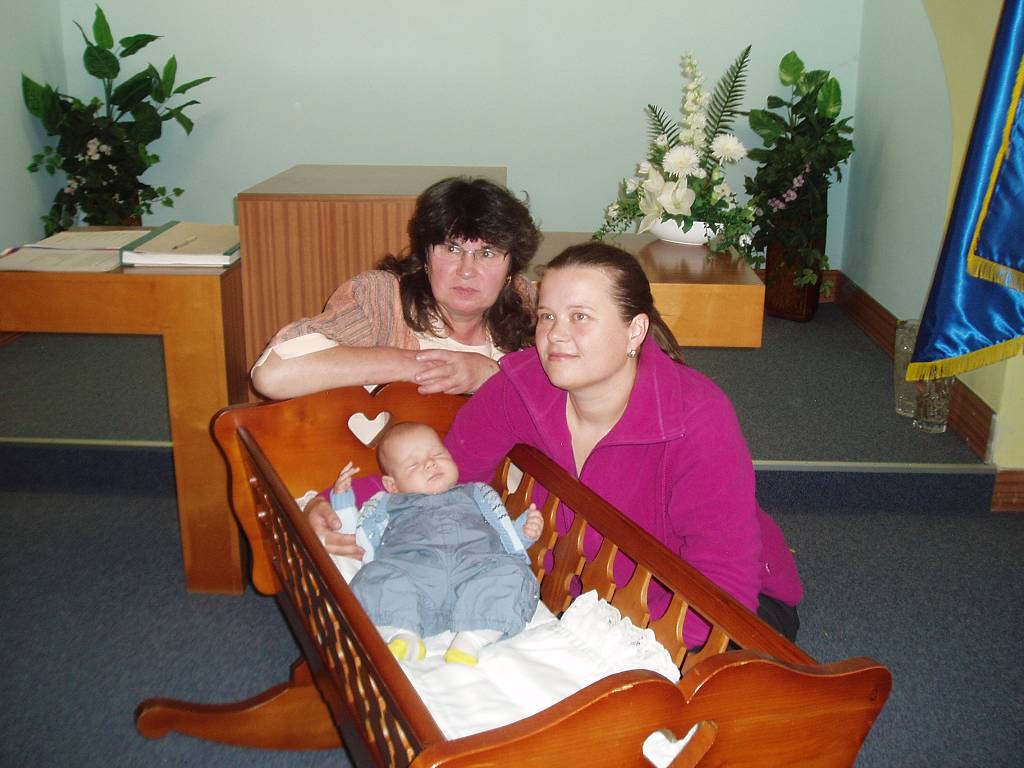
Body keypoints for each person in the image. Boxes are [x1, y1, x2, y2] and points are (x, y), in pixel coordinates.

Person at [314, 242, 803, 649]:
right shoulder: (523, 386)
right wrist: (336, 504)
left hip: (722, 612)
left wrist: (639, 657)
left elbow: (723, 585)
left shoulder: (695, 417)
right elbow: (450, 467)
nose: (555, 336)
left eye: (580, 317)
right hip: (597, 593)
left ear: (635, 330)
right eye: (547, 316)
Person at [250, 176, 541, 399]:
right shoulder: (381, 298)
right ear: (426, 256)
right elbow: (273, 373)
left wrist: (490, 373)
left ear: (511, 269)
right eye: (451, 249)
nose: (466, 270)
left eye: (487, 253)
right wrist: (424, 367)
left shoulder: (532, 304)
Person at [328, 421, 544, 666]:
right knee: (374, 577)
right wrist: (343, 503)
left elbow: (504, 536)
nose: (430, 463)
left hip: (474, 574)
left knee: (513, 573)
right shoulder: (386, 506)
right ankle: (402, 633)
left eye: (438, 454)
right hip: (414, 582)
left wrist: (524, 532)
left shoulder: (476, 494)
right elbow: (356, 539)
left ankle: (471, 639)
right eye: (414, 465)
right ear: (392, 486)